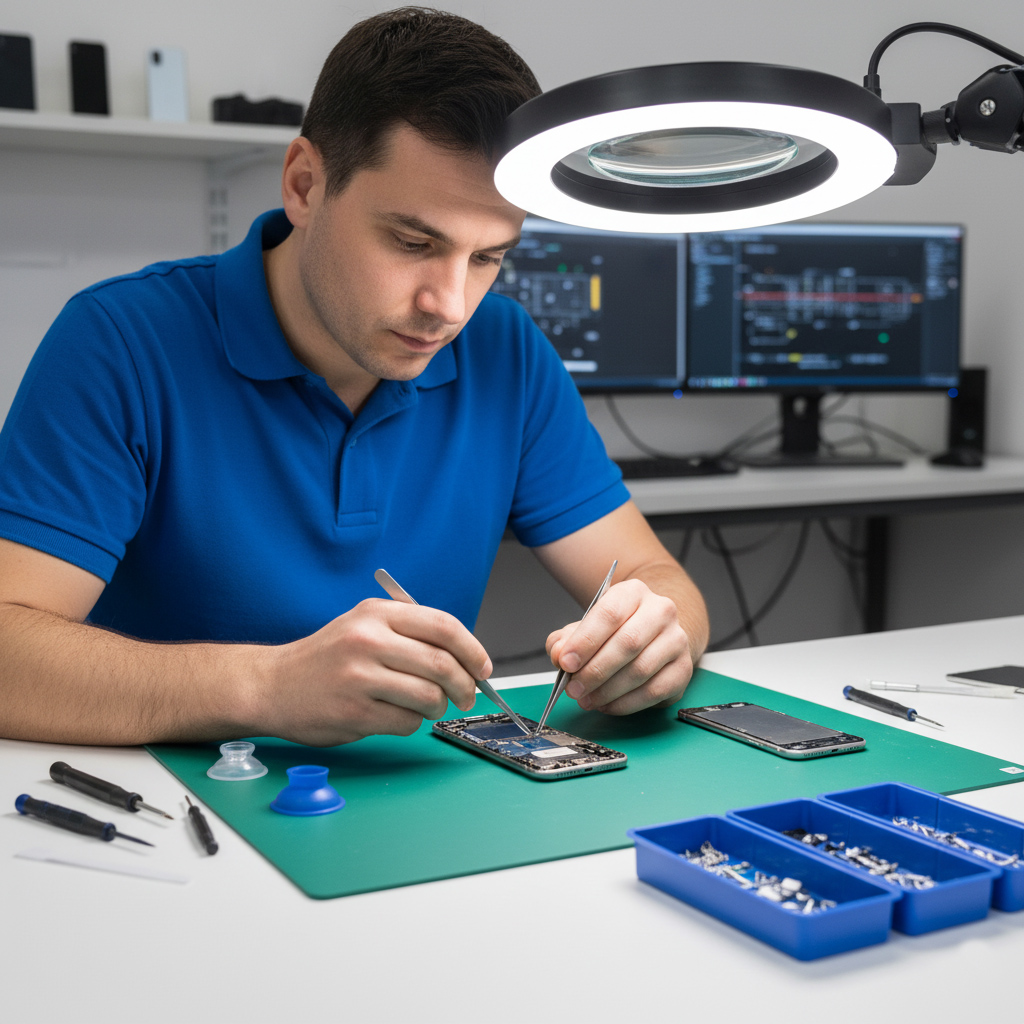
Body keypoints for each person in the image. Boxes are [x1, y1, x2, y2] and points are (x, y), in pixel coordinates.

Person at [0, 7, 708, 748]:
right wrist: (266, 687)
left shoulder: (507, 352)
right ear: (305, 185)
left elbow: (657, 577)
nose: (450, 306)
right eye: (412, 241)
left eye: (487, 257)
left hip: (413, 811)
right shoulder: (122, 341)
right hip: (179, 815)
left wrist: (659, 636)